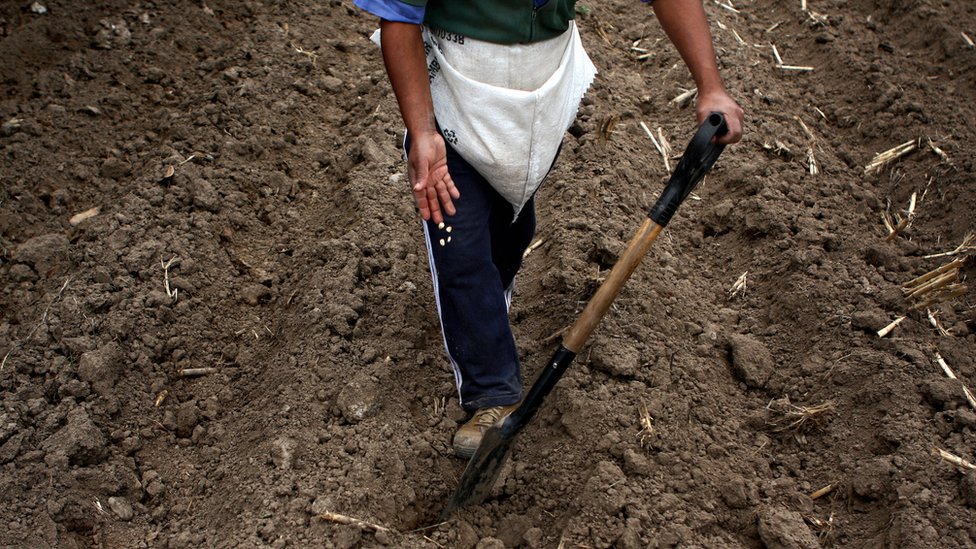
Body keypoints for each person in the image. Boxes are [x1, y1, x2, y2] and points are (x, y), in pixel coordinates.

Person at [353, 0, 744, 458]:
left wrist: (710, 85)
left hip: (543, 90)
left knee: (511, 229)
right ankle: (493, 394)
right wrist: (422, 132)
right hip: (455, 90)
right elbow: (399, 14)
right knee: (459, 242)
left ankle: (486, 311)